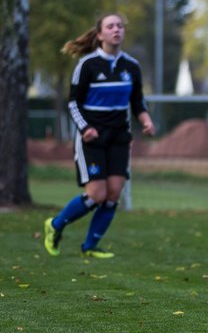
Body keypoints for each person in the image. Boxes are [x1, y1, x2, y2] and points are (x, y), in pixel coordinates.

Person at [42, 13, 156, 259]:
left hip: (119, 137)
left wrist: (146, 121)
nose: (116, 30)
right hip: (91, 139)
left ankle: (90, 247)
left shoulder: (131, 66)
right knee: (96, 195)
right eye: (110, 26)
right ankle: (56, 225)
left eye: (120, 26)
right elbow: (73, 103)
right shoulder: (87, 65)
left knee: (114, 193)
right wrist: (85, 128)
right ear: (100, 34)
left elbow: (137, 101)